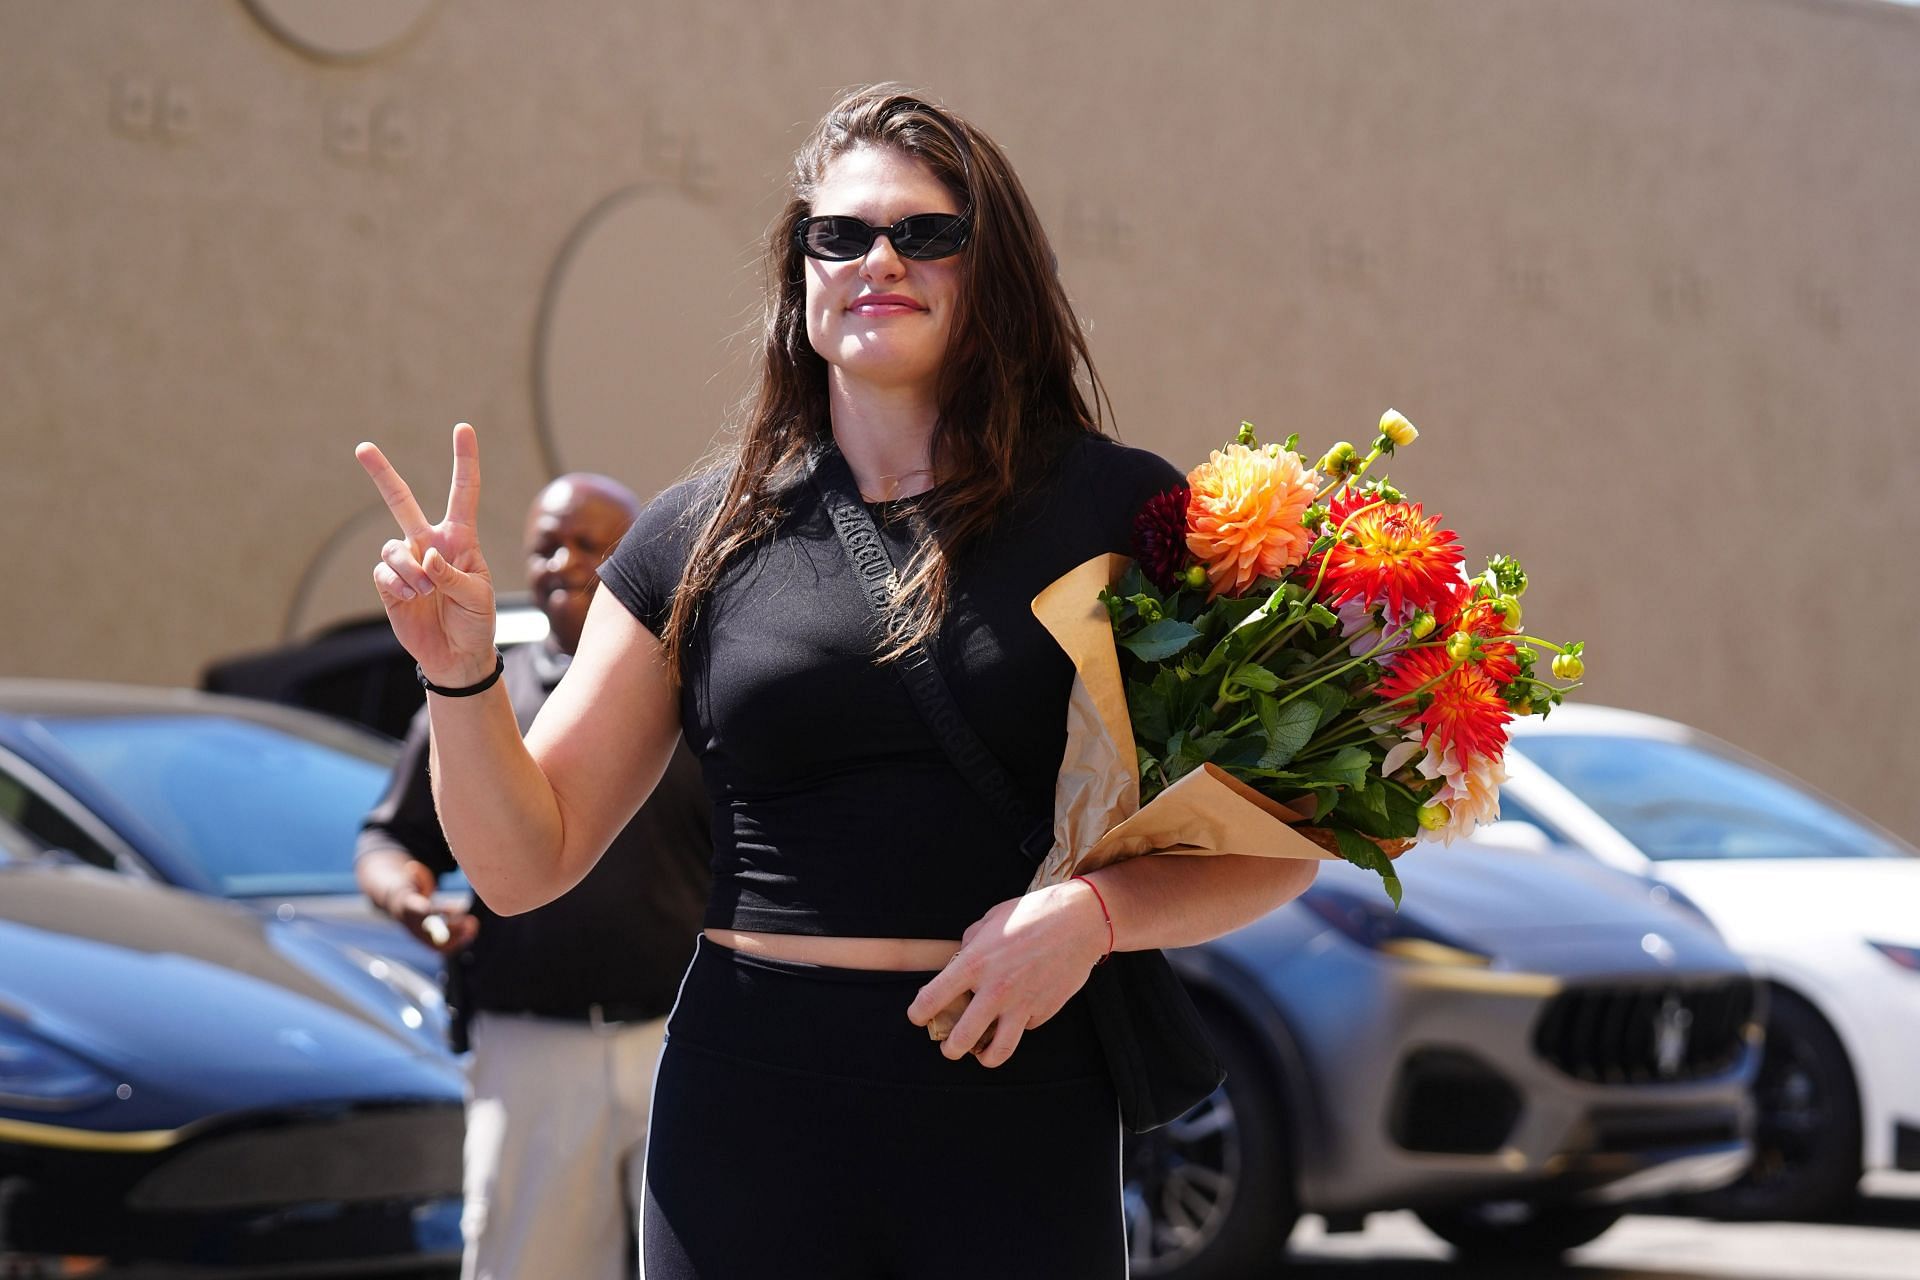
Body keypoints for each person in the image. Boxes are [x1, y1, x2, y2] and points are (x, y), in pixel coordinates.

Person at [353, 84, 1319, 1279]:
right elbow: (521, 860)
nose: (879, 259)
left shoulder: (1123, 512)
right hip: (747, 1100)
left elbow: (1280, 838)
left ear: (993, 271)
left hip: (1015, 1090)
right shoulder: (694, 536)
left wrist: (1098, 915)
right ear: (800, 275)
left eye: (926, 233)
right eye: (841, 234)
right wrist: (461, 677)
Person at [353, 473, 710, 1280]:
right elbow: (386, 839)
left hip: (678, 1039)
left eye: (592, 545)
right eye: (547, 544)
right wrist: (410, 897)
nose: (564, 561)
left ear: (636, 564)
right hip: (532, 1050)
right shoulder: (476, 690)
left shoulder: (694, 691)